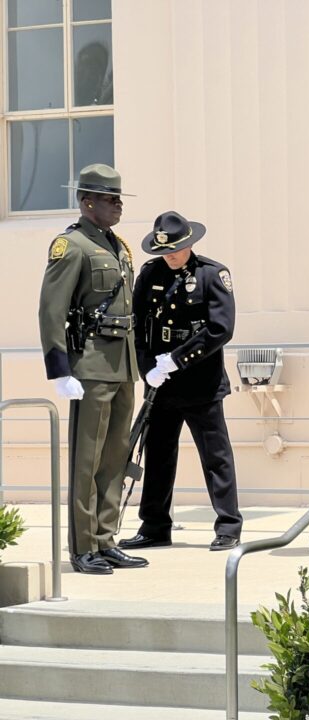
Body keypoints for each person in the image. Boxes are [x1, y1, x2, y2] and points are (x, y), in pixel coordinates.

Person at [38, 164, 148, 574]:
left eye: (118, 198)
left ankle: (106, 539)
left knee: (115, 458)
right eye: (109, 199)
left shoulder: (117, 245)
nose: (118, 205)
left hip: (123, 364)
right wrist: (60, 370)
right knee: (87, 460)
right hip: (90, 364)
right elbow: (51, 310)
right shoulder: (72, 246)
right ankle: (82, 546)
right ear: (87, 202)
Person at [118, 211, 243, 551]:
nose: (170, 254)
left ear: (189, 244)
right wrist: (148, 368)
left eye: (176, 248)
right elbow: (137, 325)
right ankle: (155, 526)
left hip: (201, 382)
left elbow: (221, 329)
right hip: (161, 383)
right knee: (158, 454)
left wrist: (177, 358)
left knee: (215, 456)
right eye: (164, 250)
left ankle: (229, 525)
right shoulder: (149, 275)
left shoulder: (212, 274)